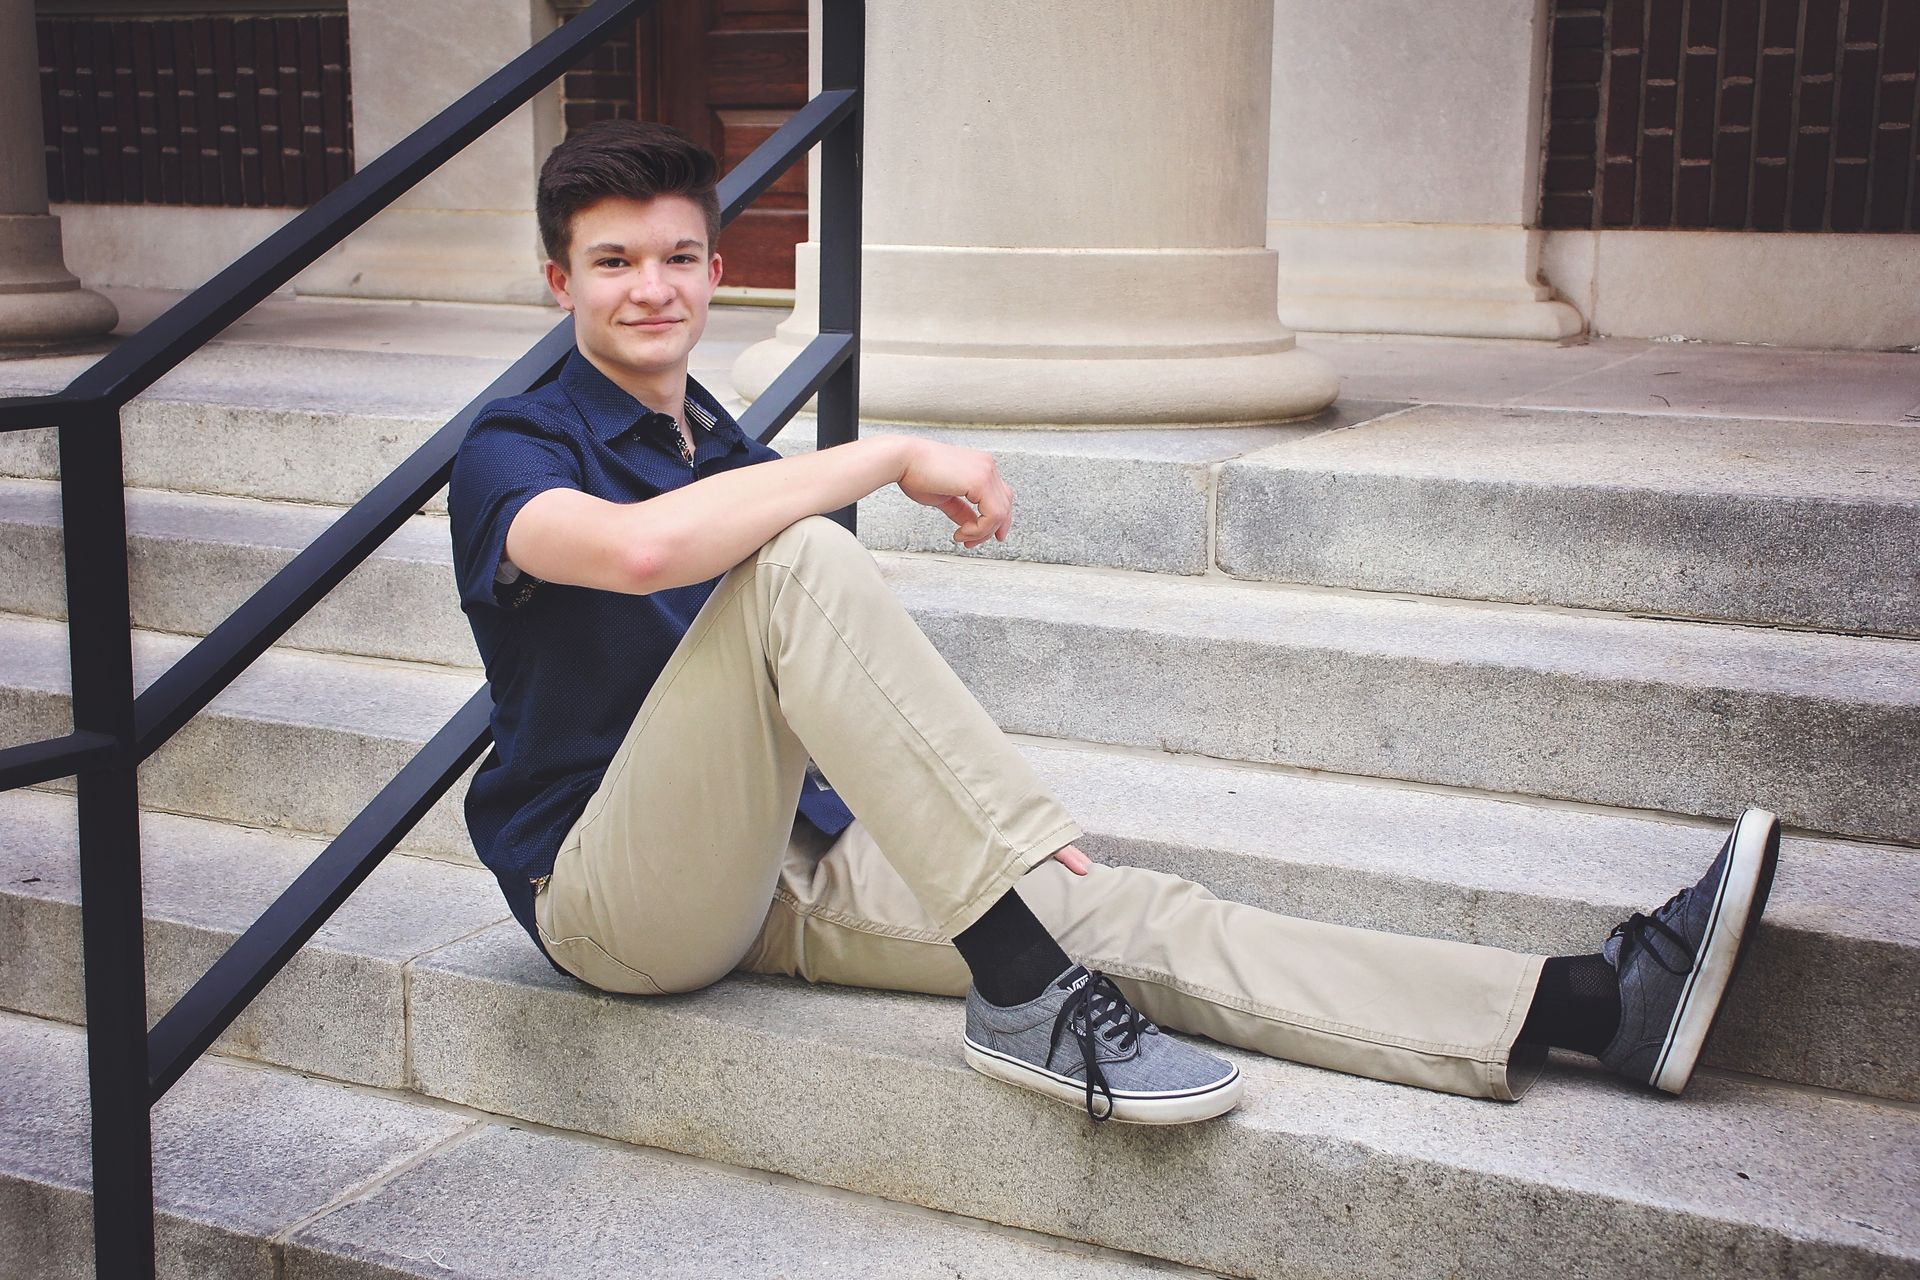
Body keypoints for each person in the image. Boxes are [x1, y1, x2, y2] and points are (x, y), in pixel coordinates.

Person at [447, 120, 1779, 1124]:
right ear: (558, 283)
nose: (651, 287)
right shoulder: (513, 447)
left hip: (783, 867)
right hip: (615, 904)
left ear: (716, 268)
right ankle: (1022, 987)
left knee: (1144, 919)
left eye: (678, 256)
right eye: (611, 263)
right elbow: (631, 554)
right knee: (795, 556)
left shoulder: (718, 436)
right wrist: (888, 453)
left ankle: (1590, 1007)